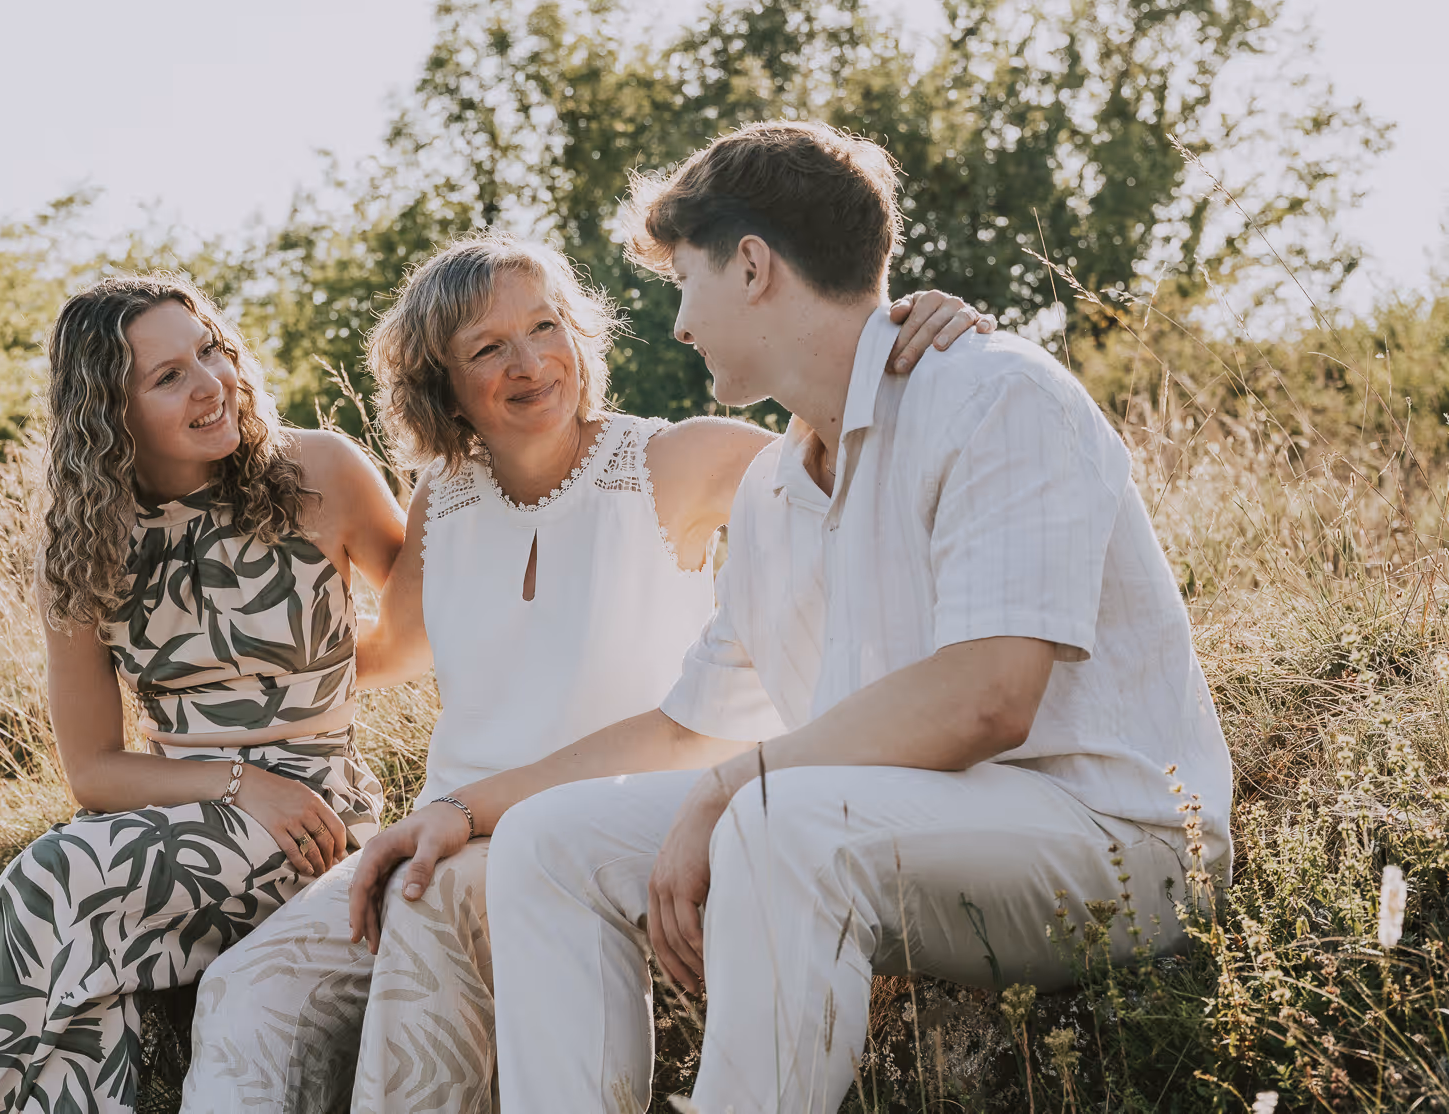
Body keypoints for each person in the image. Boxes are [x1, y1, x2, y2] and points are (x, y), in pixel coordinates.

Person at [484, 121, 1236, 1113]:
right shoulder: (766, 495)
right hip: (882, 828)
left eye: (686, 283)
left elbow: (988, 697)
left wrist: (731, 786)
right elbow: (690, 726)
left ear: (752, 266)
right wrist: (470, 808)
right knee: (551, 842)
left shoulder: (995, 396)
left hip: (1112, 839)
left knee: (776, 816)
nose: (680, 326)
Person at [180, 231, 994, 1114]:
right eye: (487, 349)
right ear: (438, 384)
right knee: (244, 990)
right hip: (443, 824)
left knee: (424, 916)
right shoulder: (440, 498)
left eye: (546, 326)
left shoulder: (669, 463)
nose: (530, 363)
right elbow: (388, 653)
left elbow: (849, 462)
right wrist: (223, 659)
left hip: (598, 830)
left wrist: (910, 336)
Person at [0, 274, 408, 1113]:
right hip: (190, 811)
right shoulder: (84, 543)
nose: (210, 384)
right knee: (86, 982)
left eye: (209, 350)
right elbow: (94, 772)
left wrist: (321, 695)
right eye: (167, 375)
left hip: (317, 814)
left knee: (50, 877)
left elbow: (430, 625)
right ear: (110, 410)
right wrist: (241, 782)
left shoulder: (322, 470)